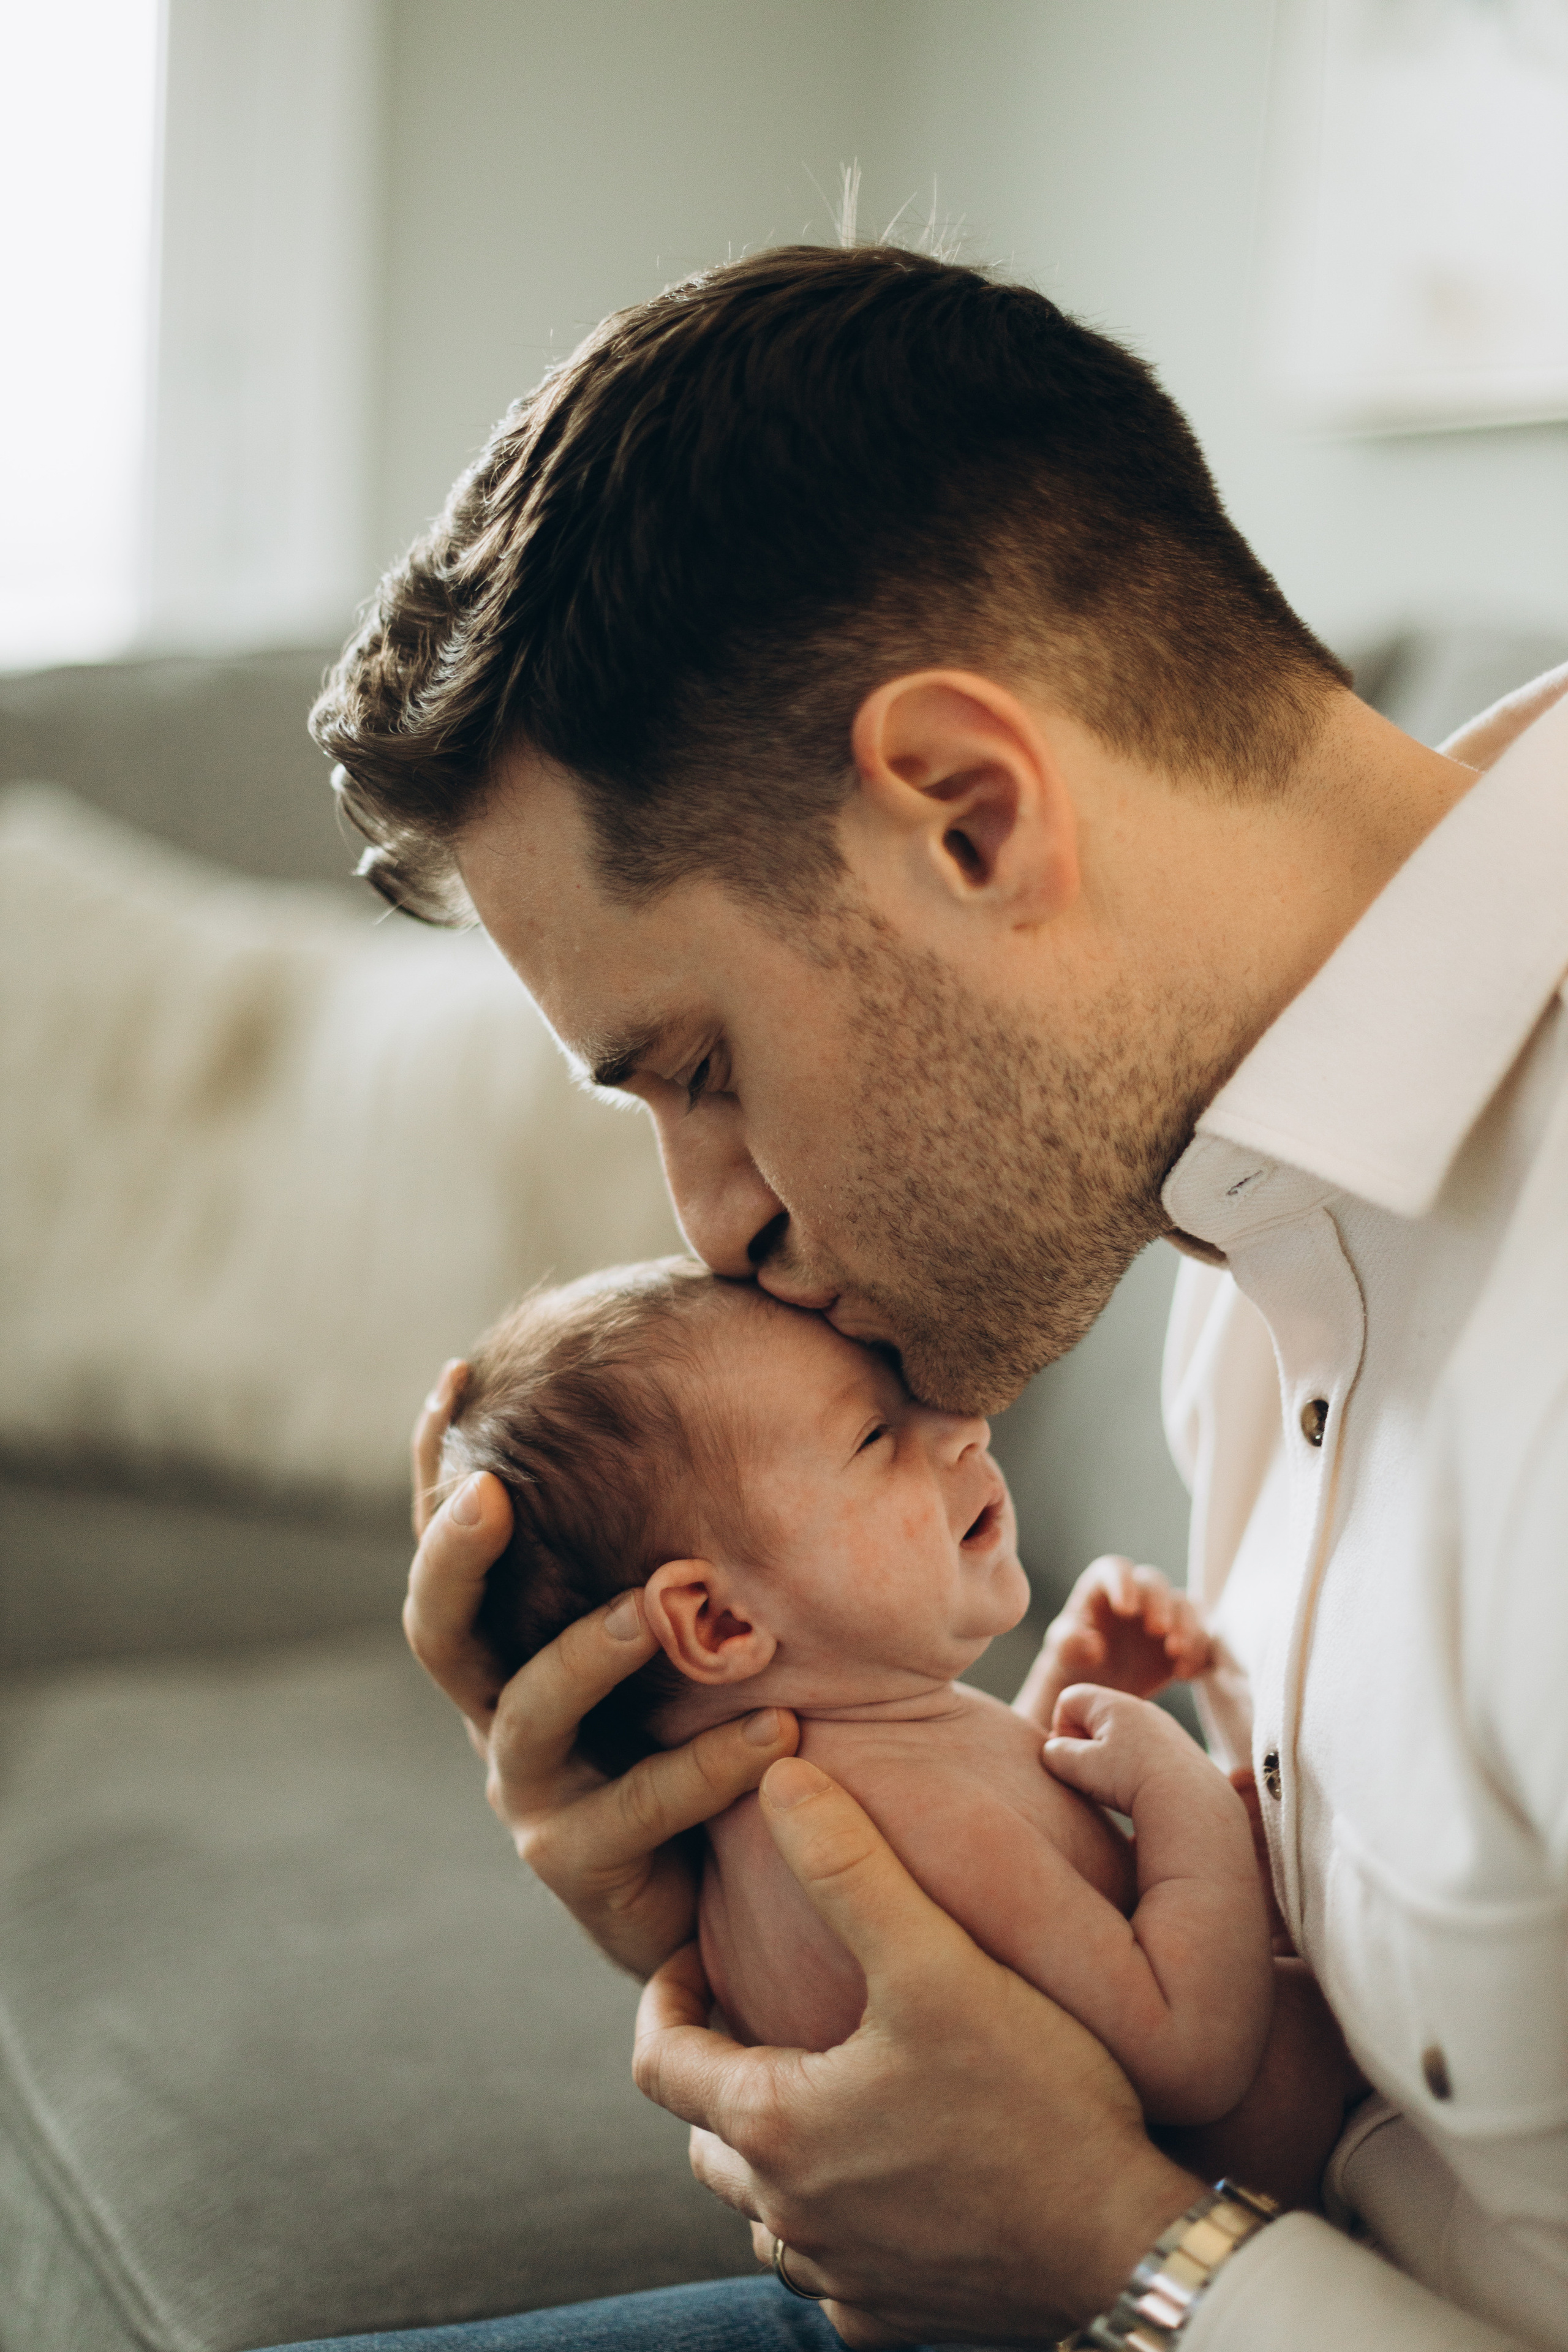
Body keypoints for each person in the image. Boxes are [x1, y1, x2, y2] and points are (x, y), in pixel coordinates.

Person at [285, 244, 1568, 2349]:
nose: (712, 1224)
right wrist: (797, 1907)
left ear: (969, 818)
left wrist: (1119, 2255)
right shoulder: (1247, 1201)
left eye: (701, 1067)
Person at [436, 1257, 1302, 2145]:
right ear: (721, 1623)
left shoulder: (820, 1807)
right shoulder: (914, 1820)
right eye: (875, 1435)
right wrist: (1181, 1790)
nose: (965, 1426)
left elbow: (1021, 1875)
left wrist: (1068, 1693)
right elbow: (1186, 2052)